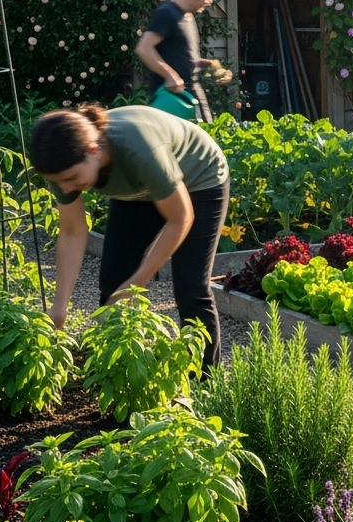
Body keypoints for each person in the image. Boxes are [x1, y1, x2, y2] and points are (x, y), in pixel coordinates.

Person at [29, 103, 230, 367]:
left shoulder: (140, 151)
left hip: (199, 180)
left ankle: (204, 381)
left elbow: (180, 218)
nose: (66, 187)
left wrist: (135, 284)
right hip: (139, 188)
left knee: (190, 287)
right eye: (59, 182)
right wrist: (59, 307)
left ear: (93, 151)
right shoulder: (63, 166)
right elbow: (72, 232)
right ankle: (119, 368)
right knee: (114, 282)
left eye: (72, 178)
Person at [136, 0, 232, 123]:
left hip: (191, 92)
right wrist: (170, 75)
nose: (209, 1)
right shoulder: (167, 13)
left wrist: (211, 67)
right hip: (172, 97)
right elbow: (144, 48)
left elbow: (181, 57)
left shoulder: (187, 16)